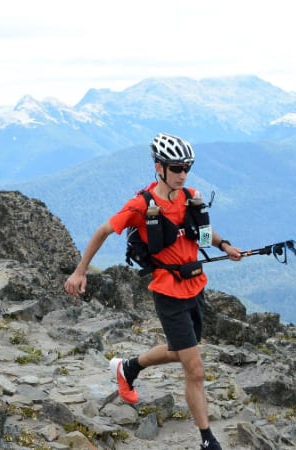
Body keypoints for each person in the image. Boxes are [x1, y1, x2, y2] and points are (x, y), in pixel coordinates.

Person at [64, 132, 241, 450]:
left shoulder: (190, 196)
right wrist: (80, 272)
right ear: (159, 168)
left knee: (180, 349)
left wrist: (225, 245)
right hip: (168, 291)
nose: (182, 174)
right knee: (195, 369)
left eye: (186, 167)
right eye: (176, 168)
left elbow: (203, 232)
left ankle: (128, 367)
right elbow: (104, 230)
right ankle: (206, 439)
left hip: (195, 285)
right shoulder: (141, 206)